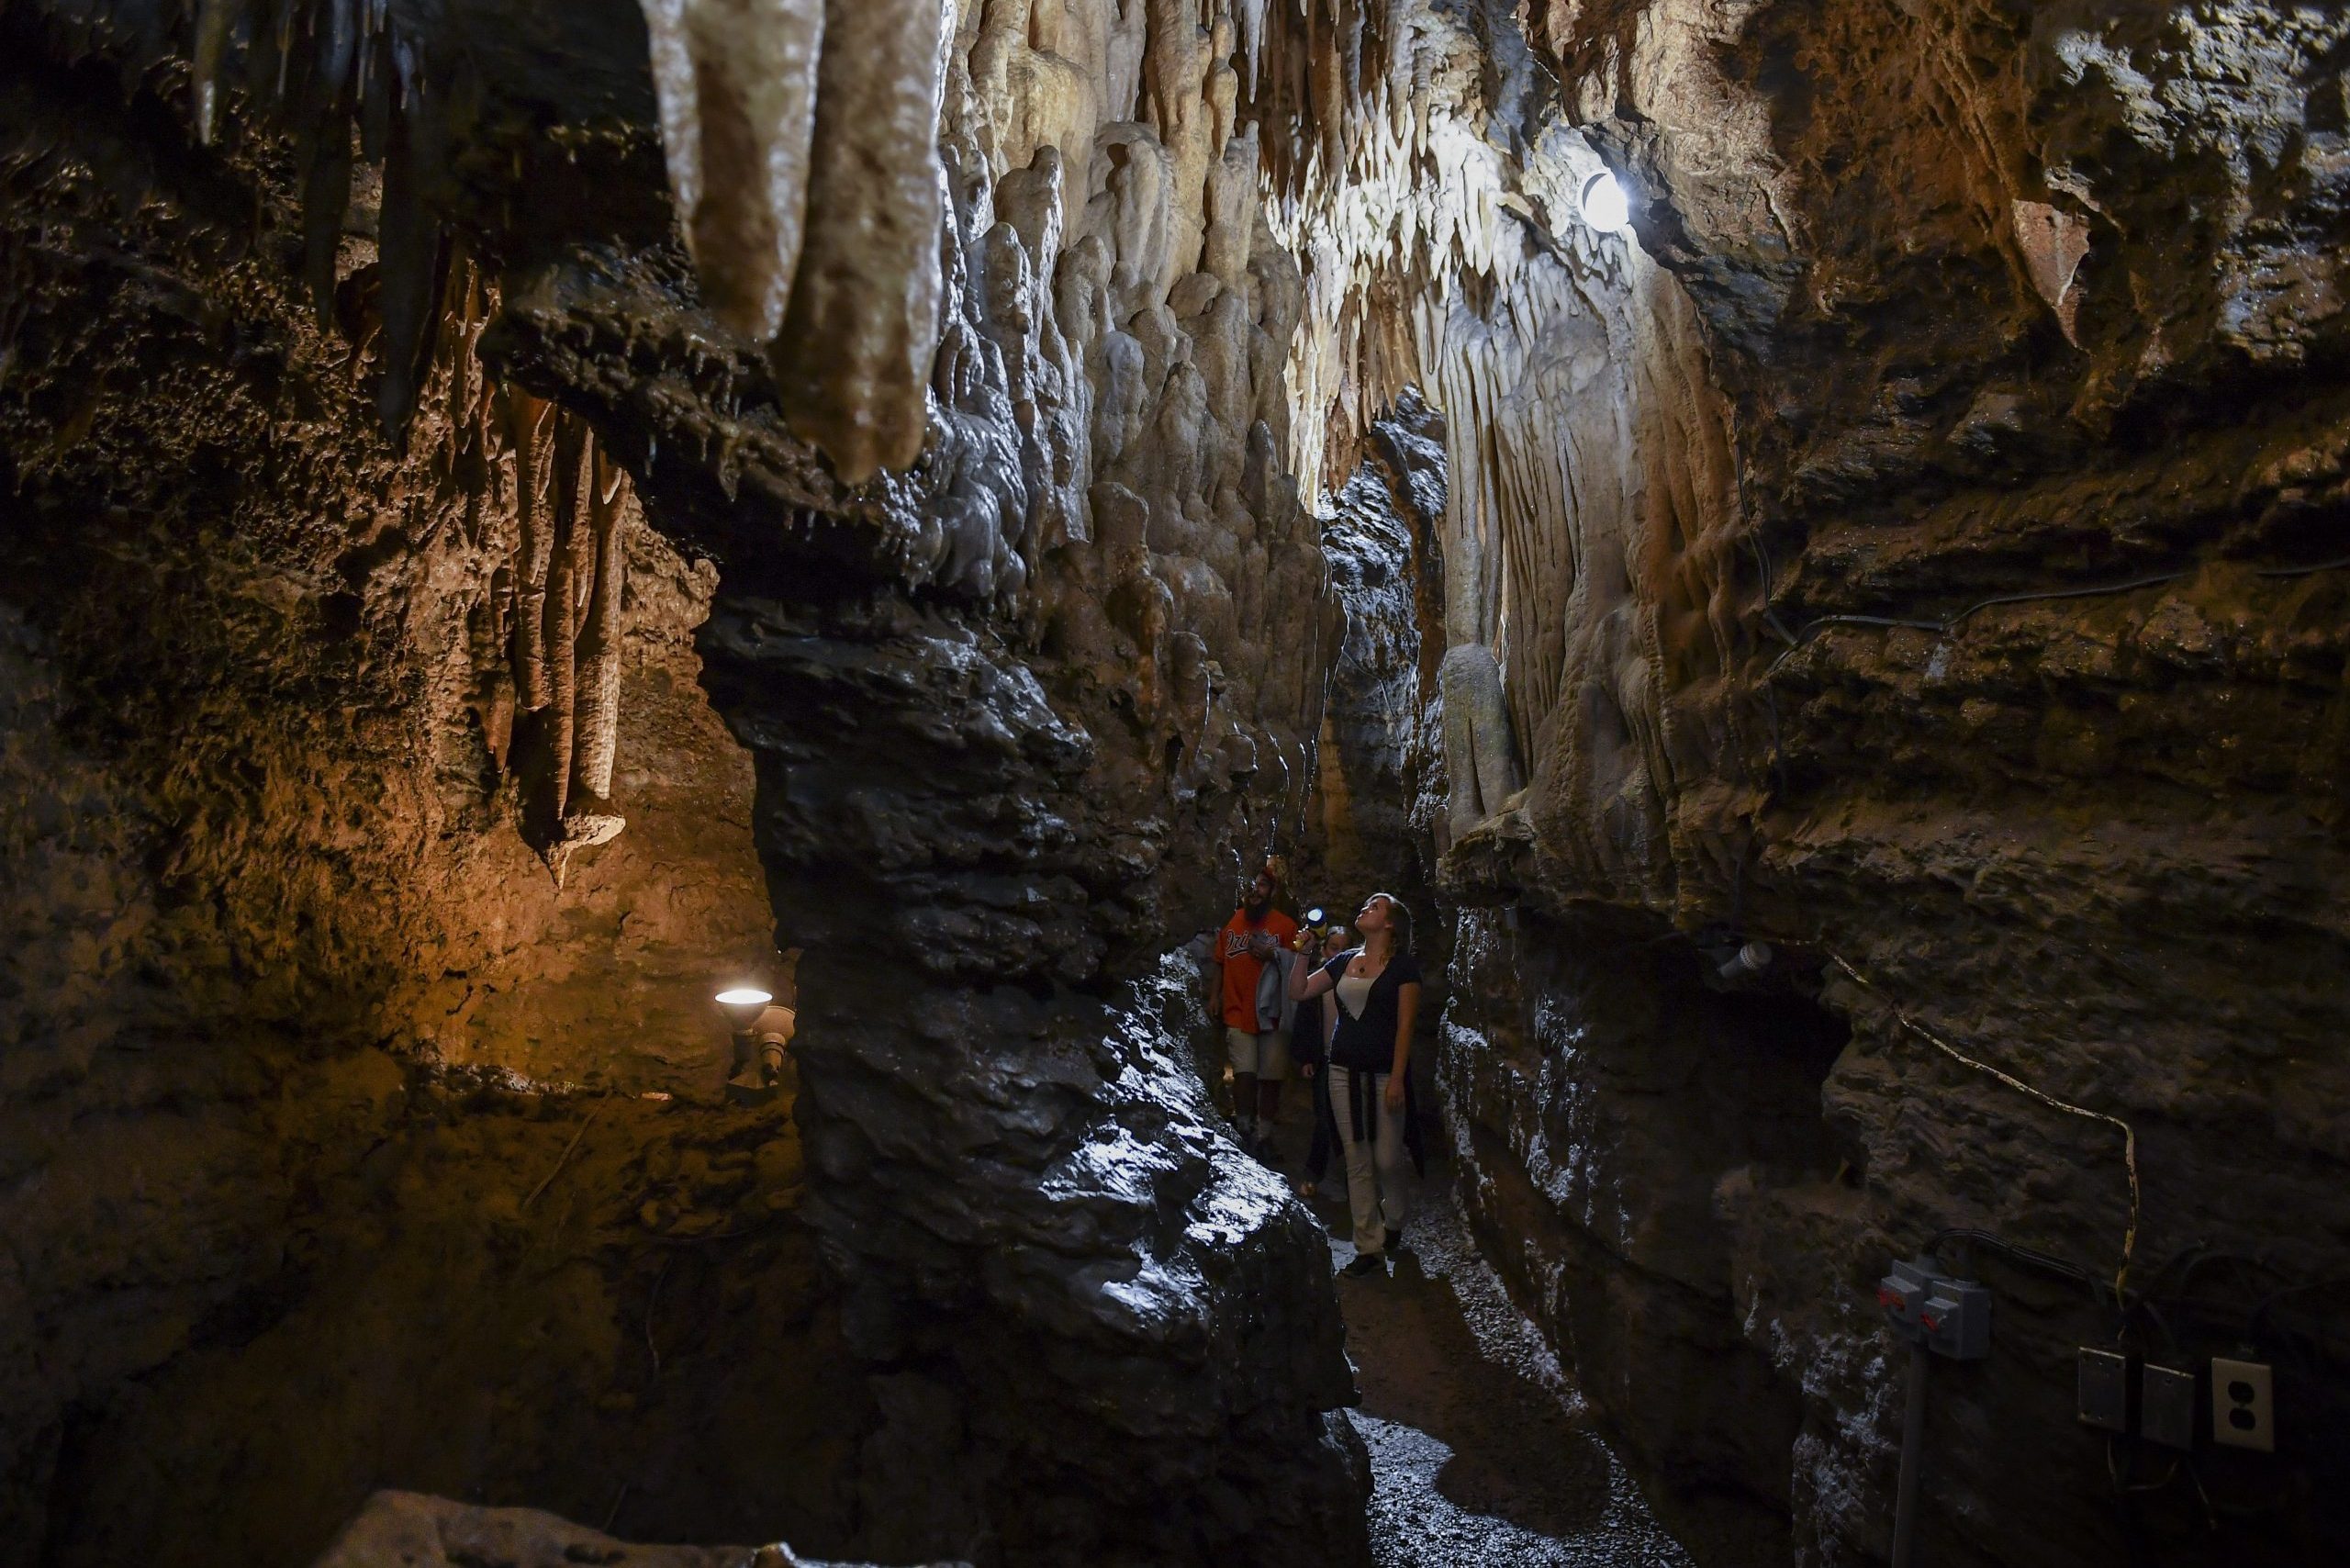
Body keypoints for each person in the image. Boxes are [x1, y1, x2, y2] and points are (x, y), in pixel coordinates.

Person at [1290, 891, 1421, 1276]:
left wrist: (1397, 1078)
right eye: (1364, 904)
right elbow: (1299, 992)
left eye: (1375, 906)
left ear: (1391, 922)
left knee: (1387, 1158)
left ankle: (1394, 1217)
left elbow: (1406, 1028)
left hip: (1383, 1075)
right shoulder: (1344, 961)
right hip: (1342, 1072)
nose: (1365, 907)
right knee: (1357, 1159)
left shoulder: (1403, 969)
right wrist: (1303, 952)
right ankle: (1368, 1246)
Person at [1207, 858, 1300, 1148]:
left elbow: (1301, 967)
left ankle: (1265, 1133)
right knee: (1244, 1075)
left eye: (1262, 884)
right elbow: (1220, 963)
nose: (1255, 890)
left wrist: (1275, 955)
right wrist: (1214, 995)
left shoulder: (1285, 927)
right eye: (1251, 884)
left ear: (1271, 890)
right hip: (1237, 1009)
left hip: (1272, 1015)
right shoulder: (1232, 921)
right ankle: (1245, 1129)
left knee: (1270, 1078)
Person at [1289, 924, 1348, 1199]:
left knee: (1351, 1122)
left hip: (1351, 1062)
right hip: (1325, 1060)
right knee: (1325, 1119)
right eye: (1334, 947)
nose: (1338, 953)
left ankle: (1353, 1181)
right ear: (1324, 951)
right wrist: (1305, 1058)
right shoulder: (1319, 982)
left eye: (1344, 948)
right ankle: (1315, 1173)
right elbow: (1305, 1022)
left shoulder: (1358, 981)